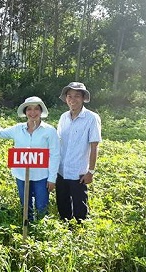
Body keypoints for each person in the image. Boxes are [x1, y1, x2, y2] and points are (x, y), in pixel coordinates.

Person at [0, 96, 60, 221]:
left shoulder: (49, 131)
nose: (33, 113)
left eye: (36, 109)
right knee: (26, 207)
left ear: (41, 111)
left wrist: (52, 178)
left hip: (41, 176)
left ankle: (42, 233)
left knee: (42, 207)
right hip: (21, 175)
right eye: (29, 109)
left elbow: (55, 155)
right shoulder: (17, 129)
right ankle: (29, 228)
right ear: (25, 112)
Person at [56, 82, 101, 222]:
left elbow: (94, 146)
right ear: (66, 98)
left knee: (80, 210)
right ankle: (65, 233)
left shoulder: (91, 118)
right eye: (69, 96)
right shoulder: (64, 117)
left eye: (77, 96)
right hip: (61, 170)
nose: (72, 99)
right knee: (62, 206)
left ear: (83, 98)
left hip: (79, 173)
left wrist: (91, 171)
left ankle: (79, 235)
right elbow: (58, 142)